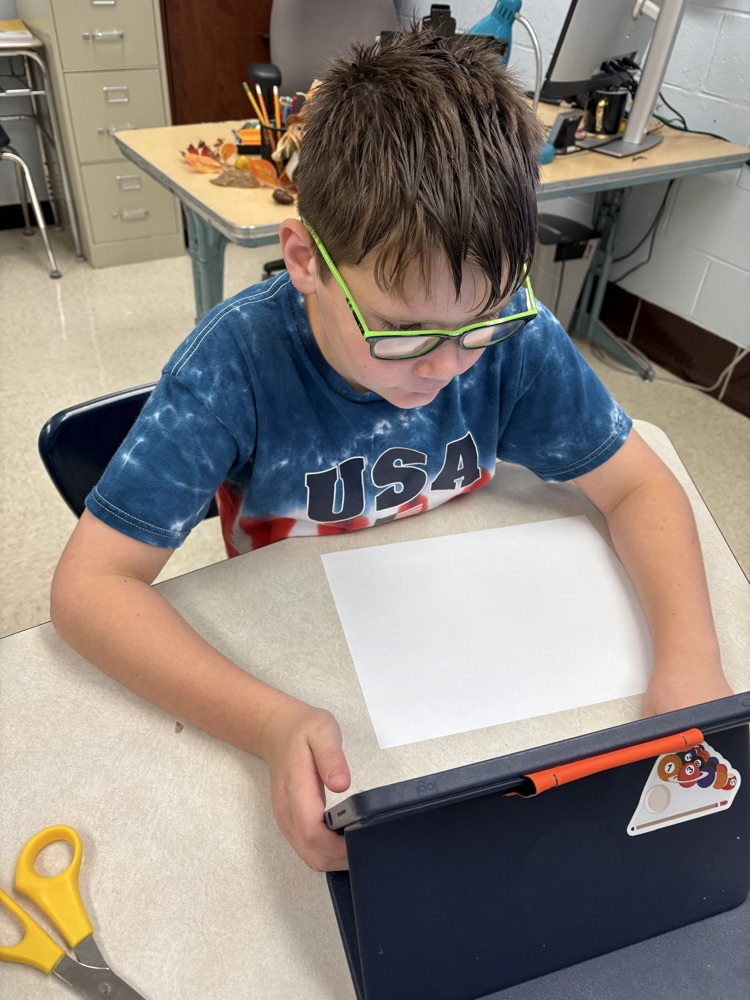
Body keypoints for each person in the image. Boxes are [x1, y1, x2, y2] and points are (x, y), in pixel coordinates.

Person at [50, 29, 732, 872]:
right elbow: (89, 589)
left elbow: (638, 488)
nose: (447, 368)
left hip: (459, 639)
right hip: (299, 643)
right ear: (305, 258)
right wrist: (267, 723)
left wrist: (690, 659)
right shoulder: (234, 368)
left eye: (477, 324)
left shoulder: (514, 333)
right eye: (403, 330)